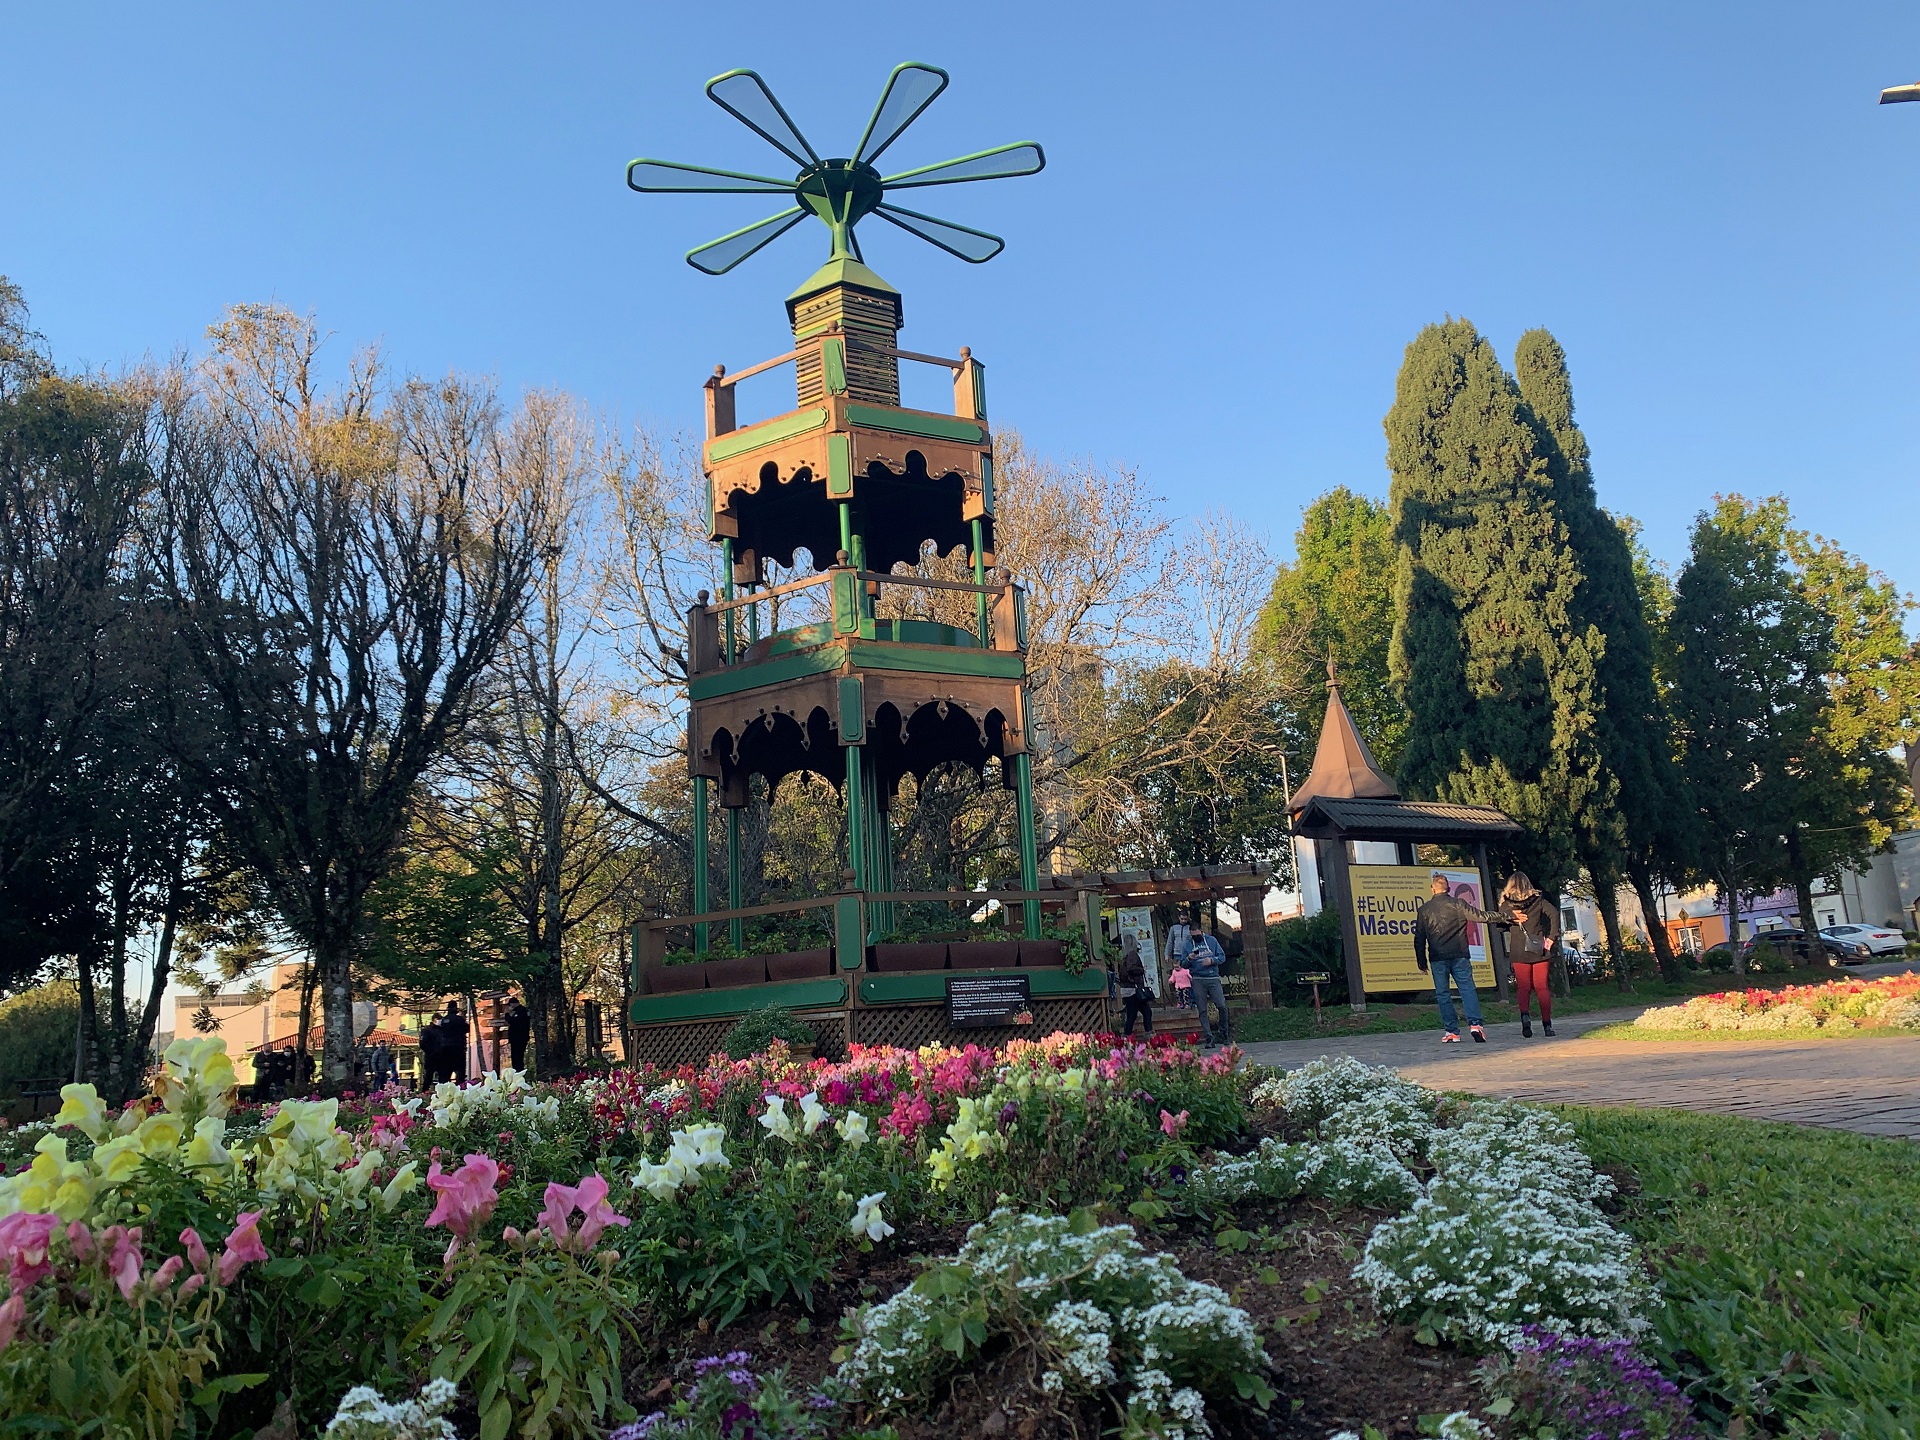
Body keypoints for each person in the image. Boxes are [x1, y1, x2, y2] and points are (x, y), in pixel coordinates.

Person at [1412, 872, 1505, 1043]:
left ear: (1433, 889)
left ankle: (1452, 1032)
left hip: (1437, 957)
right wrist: (1506, 916)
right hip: (1460, 954)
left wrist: (1421, 961)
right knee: (1467, 989)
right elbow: (1482, 916)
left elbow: (1419, 937)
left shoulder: (1424, 910)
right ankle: (1475, 1025)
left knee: (1443, 994)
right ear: (1448, 889)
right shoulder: (1459, 905)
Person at [1497, 871, 1561, 1038]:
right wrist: (1552, 937)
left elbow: (1498, 926)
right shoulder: (1538, 900)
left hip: (1519, 949)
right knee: (1541, 987)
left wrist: (1511, 920)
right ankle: (1547, 1025)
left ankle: (1525, 1017)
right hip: (1538, 947)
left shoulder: (1506, 905)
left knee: (1523, 988)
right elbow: (1554, 914)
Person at [1180, 913, 1232, 1049]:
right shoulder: (1187, 945)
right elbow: (1182, 964)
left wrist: (1212, 960)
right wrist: (1189, 959)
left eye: (1197, 935)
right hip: (1197, 979)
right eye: (1193, 935)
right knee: (1202, 1010)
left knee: (1221, 1006)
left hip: (1213, 977)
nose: (1195, 937)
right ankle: (1209, 1037)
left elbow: (1222, 956)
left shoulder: (1212, 941)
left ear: (1201, 932)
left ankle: (1224, 1033)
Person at [1117, 936, 1155, 1037]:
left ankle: (1127, 1035)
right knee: (1142, 1012)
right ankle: (1147, 1033)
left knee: (1133, 1014)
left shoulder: (1124, 957)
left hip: (1127, 989)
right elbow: (1132, 968)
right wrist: (1142, 970)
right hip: (1134, 989)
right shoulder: (1133, 955)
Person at [441, 1001, 470, 1084]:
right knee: (460, 1072)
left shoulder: (444, 1020)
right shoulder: (459, 1019)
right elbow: (467, 1029)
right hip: (458, 1048)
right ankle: (460, 1088)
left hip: (446, 1049)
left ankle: (445, 1088)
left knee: (446, 1073)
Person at [504, 996, 531, 1072]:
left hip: (519, 1038)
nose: (510, 1007)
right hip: (516, 1038)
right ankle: (517, 1071)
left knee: (517, 1057)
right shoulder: (519, 1011)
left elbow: (513, 1021)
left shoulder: (521, 1011)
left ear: (514, 1004)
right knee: (516, 1057)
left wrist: (507, 1015)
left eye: (510, 1005)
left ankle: (518, 1071)